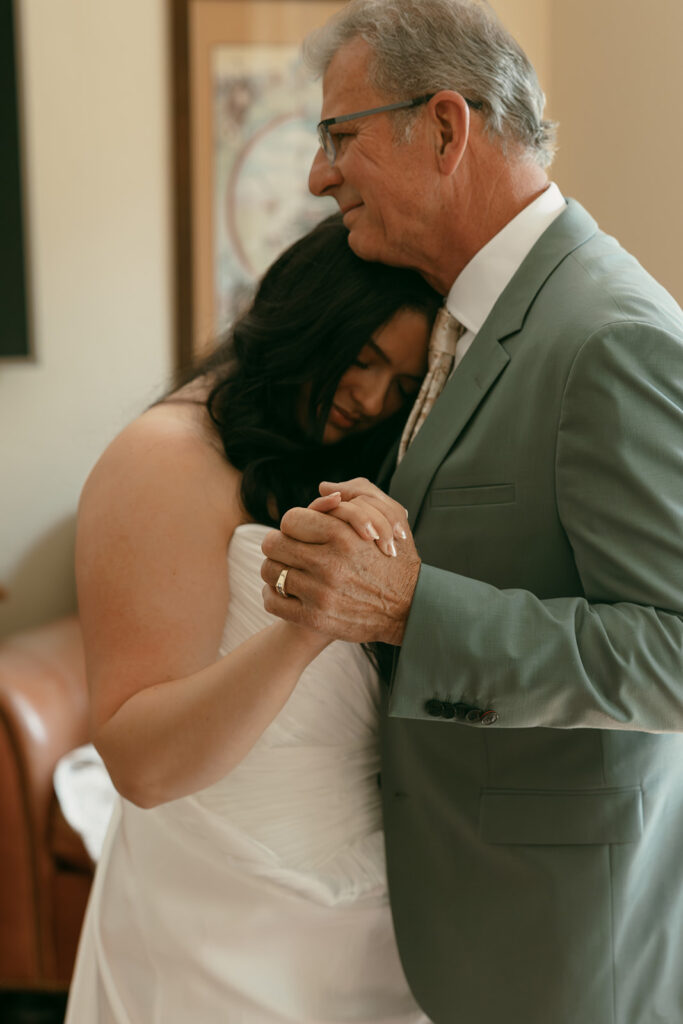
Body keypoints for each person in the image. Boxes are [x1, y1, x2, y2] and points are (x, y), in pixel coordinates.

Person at [259, 3, 683, 1023]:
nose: (319, 178)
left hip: (559, 951)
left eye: (338, 139)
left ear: (445, 128)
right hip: (464, 925)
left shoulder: (604, 339)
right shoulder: (471, 316)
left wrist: (413, 608)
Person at [65, 214, 441, 1024]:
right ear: (305, 323)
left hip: (372, 903)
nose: (371, 398)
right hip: (222, 912)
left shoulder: (349, 461)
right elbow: (141, 766)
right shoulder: (166, 456)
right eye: (362, 357)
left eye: (403, 386)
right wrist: (309, 627)